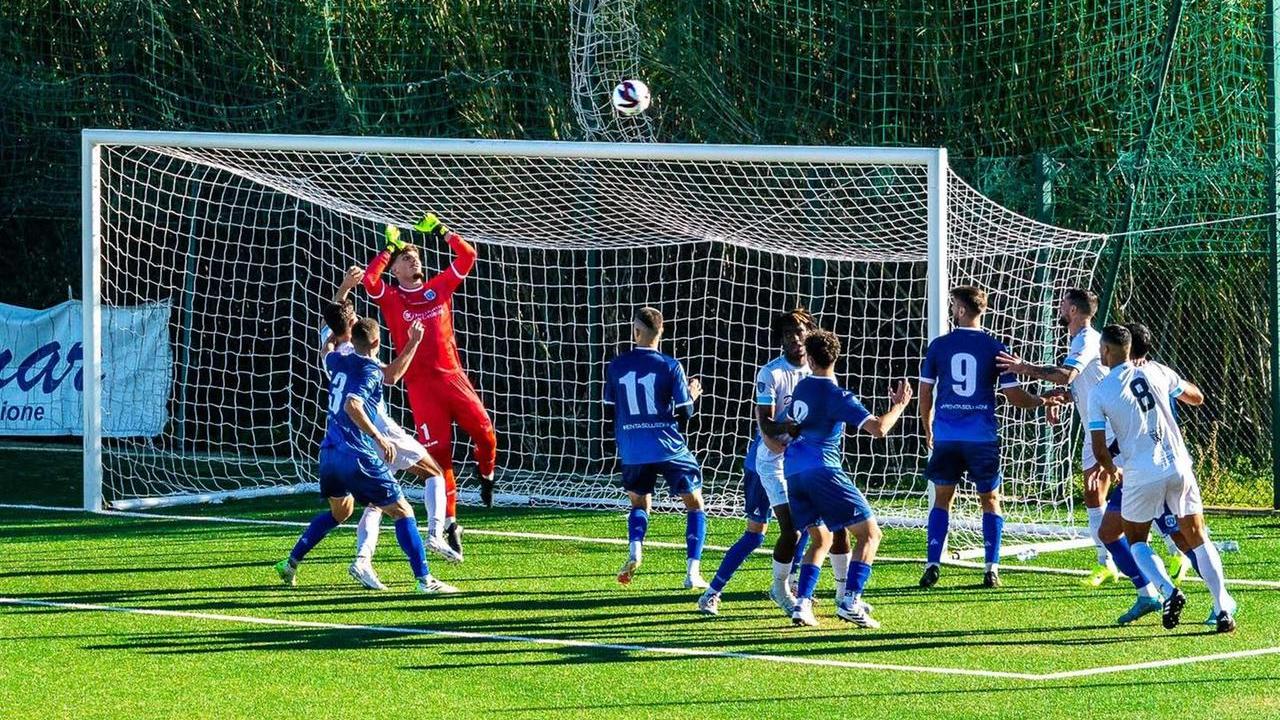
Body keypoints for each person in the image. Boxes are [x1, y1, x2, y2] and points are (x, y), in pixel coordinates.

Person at [274, 317, 457, 594]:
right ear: (376, 342)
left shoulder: (336, 361)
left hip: (328, 454)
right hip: (356, 453)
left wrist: (337, 328)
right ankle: (425, 580)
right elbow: (352, 404)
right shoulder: (370, 370)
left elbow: (326, 350)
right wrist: (378, 436)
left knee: (341, 511)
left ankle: (290, 564)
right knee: (401, 510)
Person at [363, 215, 498, 560]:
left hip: (454, 378)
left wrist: (441, 231)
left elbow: (467, 257)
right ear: (396, 270)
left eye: (416, 257)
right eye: (406, 259)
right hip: (422, 389)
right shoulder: (392, 298)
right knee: (439, 458)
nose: (414, 261)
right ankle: (451, 523)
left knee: (486, 435)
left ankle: (486, 474)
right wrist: (389, 247)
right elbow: (369, 281)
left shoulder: (437, 288)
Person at [1089, 325, 1236, 632]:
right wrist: (1173, 389)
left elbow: (1100, 450)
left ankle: (1168, 591)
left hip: (1141, 474)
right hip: (1179, 466)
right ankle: (1223, 608)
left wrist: (1113, 472)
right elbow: (1197, 398)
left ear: (1106, 351)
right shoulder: (1157, 371)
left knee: (1136, 539)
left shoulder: (1100, 391)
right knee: (1197, 537)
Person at [323, 267, 460, 592]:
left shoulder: (331, 352)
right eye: (352, 312)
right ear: (372, 339)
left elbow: (336, 317)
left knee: (377, 502)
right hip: (378, 429)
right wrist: (413, 342)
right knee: (433, 474)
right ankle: (434, 538)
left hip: (344, 439)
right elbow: (389, 376)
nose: (354, 312)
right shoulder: (367, 364)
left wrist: (344, 288)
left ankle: (362, 559)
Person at [918, 286, 1062, 589]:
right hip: (981, 439)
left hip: (946, 436)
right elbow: (1013, 397)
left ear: (959, 310)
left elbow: (925, 393)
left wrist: (928, 427)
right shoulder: (996, 347)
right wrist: (1042, 400)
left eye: (952, 305)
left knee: (942, 499)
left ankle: (932, 564)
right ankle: (991, 568)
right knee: (991, 500)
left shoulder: (939, 346)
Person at [784, 330, 913, 628]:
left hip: (793, 471)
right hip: (822, 471)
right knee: (870, 534)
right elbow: (879, 429)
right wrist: (899, 406)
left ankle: (802, 605)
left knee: (821, 537)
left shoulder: (802, 388)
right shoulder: (838, 396)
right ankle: (850, 600)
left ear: (811, 359)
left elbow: (792, 426)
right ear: (835, 358)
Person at [996, 288, 1121, 586]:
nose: (1060, 307)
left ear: (1074, 311)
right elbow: (1080, 383)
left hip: (1114, 427)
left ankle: (1170, 551)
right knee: (1094, 493)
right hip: (1097, 428)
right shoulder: (1080, 340)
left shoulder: (1088, 339)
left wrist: (1024, 368)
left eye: (1064, 303)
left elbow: (1067, 374)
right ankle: (1107, 563)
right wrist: (1062, 397)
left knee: (1133, 489)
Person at [697, 308, 817, 616]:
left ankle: (786, 585)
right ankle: (712, 593)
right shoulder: (771, 374)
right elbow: (766, 426)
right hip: (763, 462)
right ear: (780, 339)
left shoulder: (816, 373)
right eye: (788, 333)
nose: (796, 337)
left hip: (795, 464)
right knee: (756, 534)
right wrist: (789, 431)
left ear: (811, 333)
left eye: (800, 331)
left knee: (800, 527)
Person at [604, 307, 708, 589]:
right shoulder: (670, 365)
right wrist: (693, 395)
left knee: (639, 503)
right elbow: (686, 414)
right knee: (694, 504)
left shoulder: (616, 366)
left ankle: (636, 550)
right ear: (661, 332)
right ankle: (692, 573)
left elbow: (610, 411)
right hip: (668, 446)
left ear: (636, 332)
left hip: (632, 448)